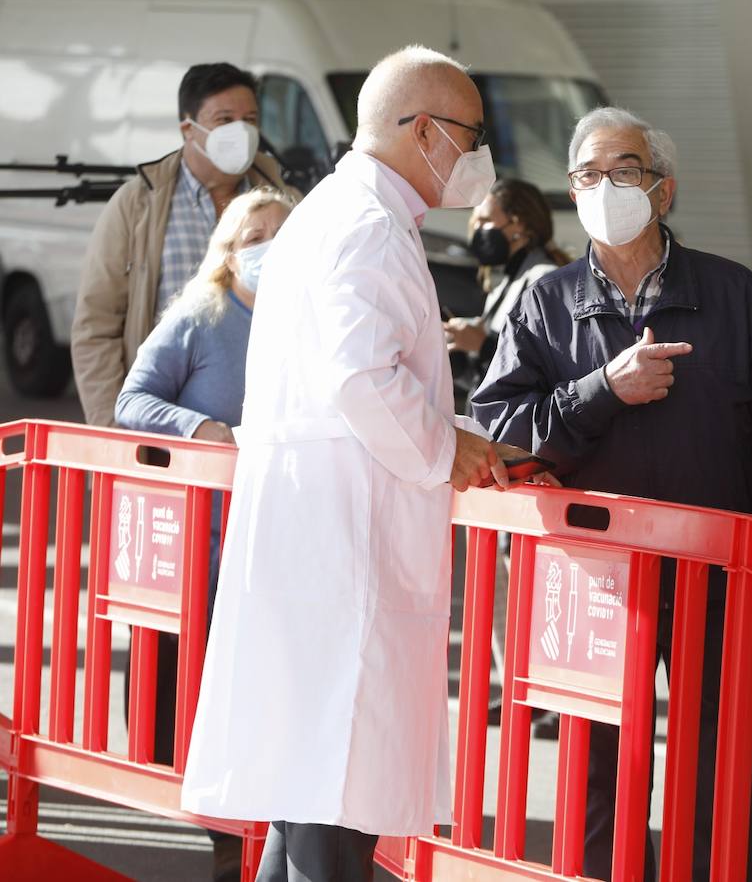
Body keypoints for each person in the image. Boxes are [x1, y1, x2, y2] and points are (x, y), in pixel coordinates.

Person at [181, 45, 511, 882]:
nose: (480, 155)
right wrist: (449, 446)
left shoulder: (338, 212)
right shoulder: (364, 223)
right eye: (472, 133)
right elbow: (360, 374)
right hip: (344, 549)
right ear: (426, 130)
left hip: (321, 540)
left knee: (309, 804)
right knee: (333, 804)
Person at [471, 105, 752, 881]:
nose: (604, 187)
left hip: (718, 578)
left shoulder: (735, 297)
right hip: (594, 580)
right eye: (588, 174)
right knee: (597, 773)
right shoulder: (543, 301)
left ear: (662, 191)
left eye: (624, 171)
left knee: (717, 774)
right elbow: (501, 429)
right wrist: (600, 391)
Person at [115, 186, 292, 882]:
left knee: (266, 699)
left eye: (282, 229)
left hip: (280, 544)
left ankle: (256, 837)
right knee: (203, 701)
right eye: (256, 232)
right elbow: (134, 399)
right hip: (207, 552)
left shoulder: (304, 318)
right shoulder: (199, 316)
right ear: (227, 247)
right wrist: (203, 430)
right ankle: (226, 846)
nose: (269, 244)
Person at [72, 62, 298, 428]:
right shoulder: (138, 204)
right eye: (224, 119)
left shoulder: (285, 203)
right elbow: (96, 324)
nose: (240, 131)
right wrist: (113, 433)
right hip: (156, 426)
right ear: (188, 129)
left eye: (250, 119)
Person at [445, 177, 572, 398]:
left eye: (484, 221)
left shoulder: (544, 279)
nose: (477, 230)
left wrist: (483, 345)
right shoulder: (501, 288)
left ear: (519, 224)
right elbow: (491, 379)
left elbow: (550, 367)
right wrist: (458, 360)